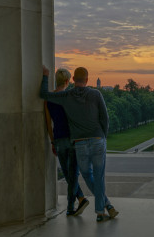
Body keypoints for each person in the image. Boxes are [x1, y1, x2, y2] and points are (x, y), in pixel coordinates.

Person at [40, 66, 118, 222]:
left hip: (79, 143)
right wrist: (103, 136)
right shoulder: (96, 94)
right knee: (98, 176)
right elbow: (105, 118)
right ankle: (101, 211)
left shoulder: (66, 96)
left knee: (87, 175)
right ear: (88, 80)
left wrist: (45, 76)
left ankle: (104, 207)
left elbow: (44, 95)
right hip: (96, 139)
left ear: (74, 80)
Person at [44, 68, 89, 216]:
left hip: (59, 139)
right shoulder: (70, 96)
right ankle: (73, 205)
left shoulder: (49, 99)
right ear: (66, 81)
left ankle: (78, 201)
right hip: (73, 138)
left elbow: (48, 124)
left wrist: (52, 142)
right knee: (73, 174)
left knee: (68, 174)